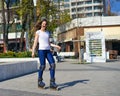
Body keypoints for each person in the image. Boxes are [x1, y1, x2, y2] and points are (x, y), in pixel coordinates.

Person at [31, 19, 61, 89]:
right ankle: (40, 81)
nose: (44, 25)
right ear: (41, 24)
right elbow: (35, 42)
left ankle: (52, 83)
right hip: (41, 50)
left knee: (53, 65)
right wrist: (33, 52)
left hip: (48, 51)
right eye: (43, 23)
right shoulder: (38, 32)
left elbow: (48, 43)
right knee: (42, 66)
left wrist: (57, 46)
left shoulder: (47, 33)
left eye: (45, 24)